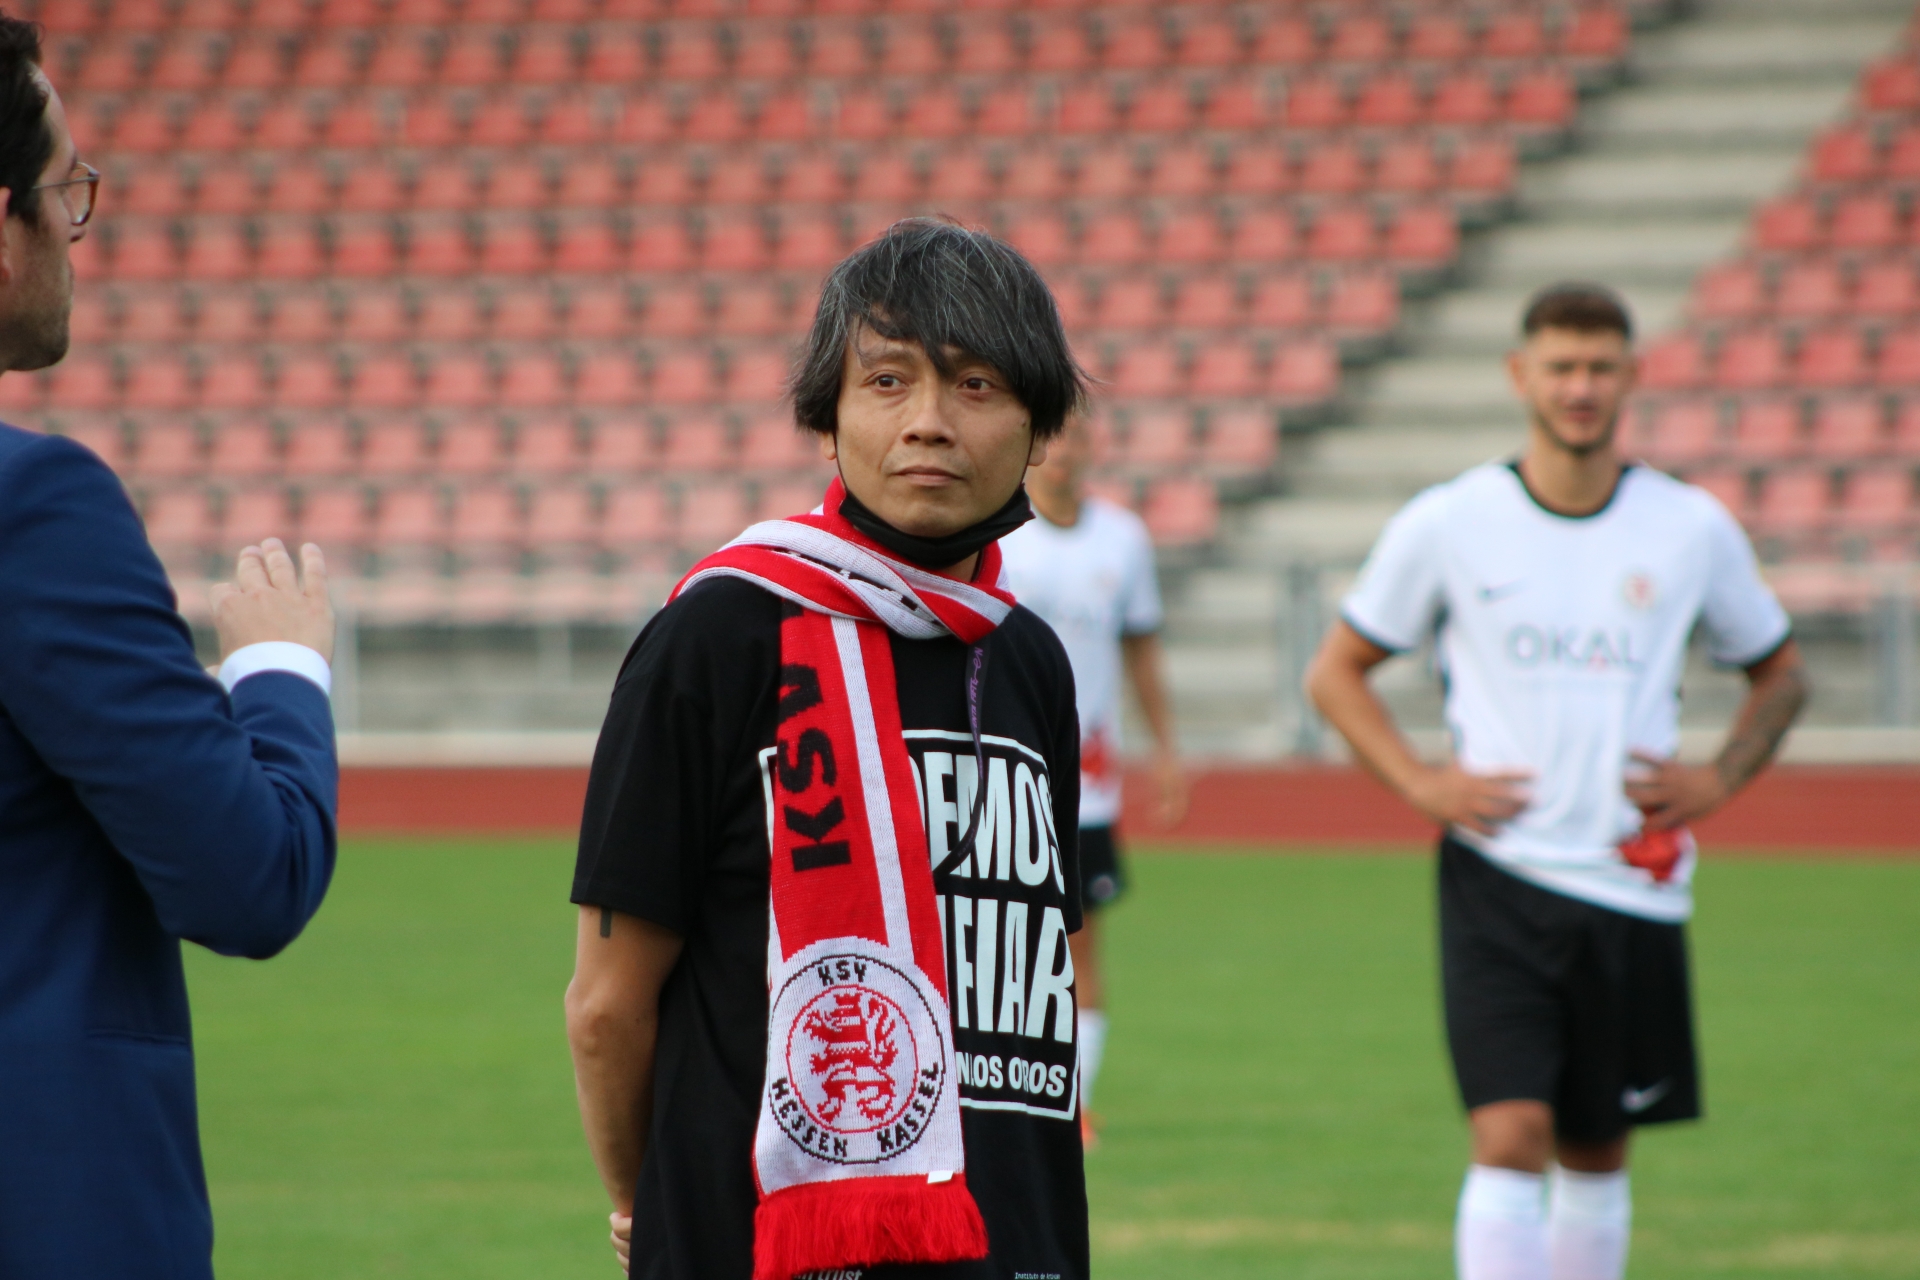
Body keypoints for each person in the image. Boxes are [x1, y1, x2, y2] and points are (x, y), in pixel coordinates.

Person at [566, 218, 1089, 1280]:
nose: (929, 422)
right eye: (888, 382)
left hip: (1013, 1246)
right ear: (827, 419)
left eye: (977, 386)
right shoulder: (717, 637)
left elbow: (1042, 980)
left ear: (1038, 428)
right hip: (760, 1247)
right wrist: (642, 1199)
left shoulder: (1029, 657)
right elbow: (607, 1005)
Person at [1305, 283, 1807, 1280]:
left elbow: (1782, 674)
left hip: (1632, 879)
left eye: (1600, 367)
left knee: (1597, 1145)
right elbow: (1336, 672)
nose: (1581, 387)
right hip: (1498, 875)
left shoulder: (1689, 526)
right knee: (1510, 1133)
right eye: (1562, 366)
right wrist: (1423, 784)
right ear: (1520, 375)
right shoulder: (1451, 520)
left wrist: (1717, 778)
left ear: (1632, 376)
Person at [0, 16, 341, 1280]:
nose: (76, 231)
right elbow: (249, 876)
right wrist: (279, 671)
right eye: (65, 194)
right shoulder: (34, 507)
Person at [998, 412, 1187, 1142]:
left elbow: (1141, 647)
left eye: (1076, 435)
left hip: (1087, 780)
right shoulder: (999, 535)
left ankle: (1072, 1102)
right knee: (997, 939)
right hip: (1003, 773)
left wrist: (1165, 748)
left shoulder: (1123, 538)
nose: (1062, 450)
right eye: (1050, 436)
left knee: (1079, 945)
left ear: (1092, 446)